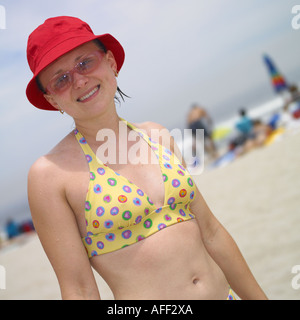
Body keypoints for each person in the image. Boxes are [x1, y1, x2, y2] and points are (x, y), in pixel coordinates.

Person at [26, 16, 267, 300]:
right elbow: (78, 288)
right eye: (61, 79)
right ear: (52, 99)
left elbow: (212, 233)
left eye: (85, 63)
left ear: (110, 63)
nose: (79, 80)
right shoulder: (51, 175)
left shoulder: (158, 136)